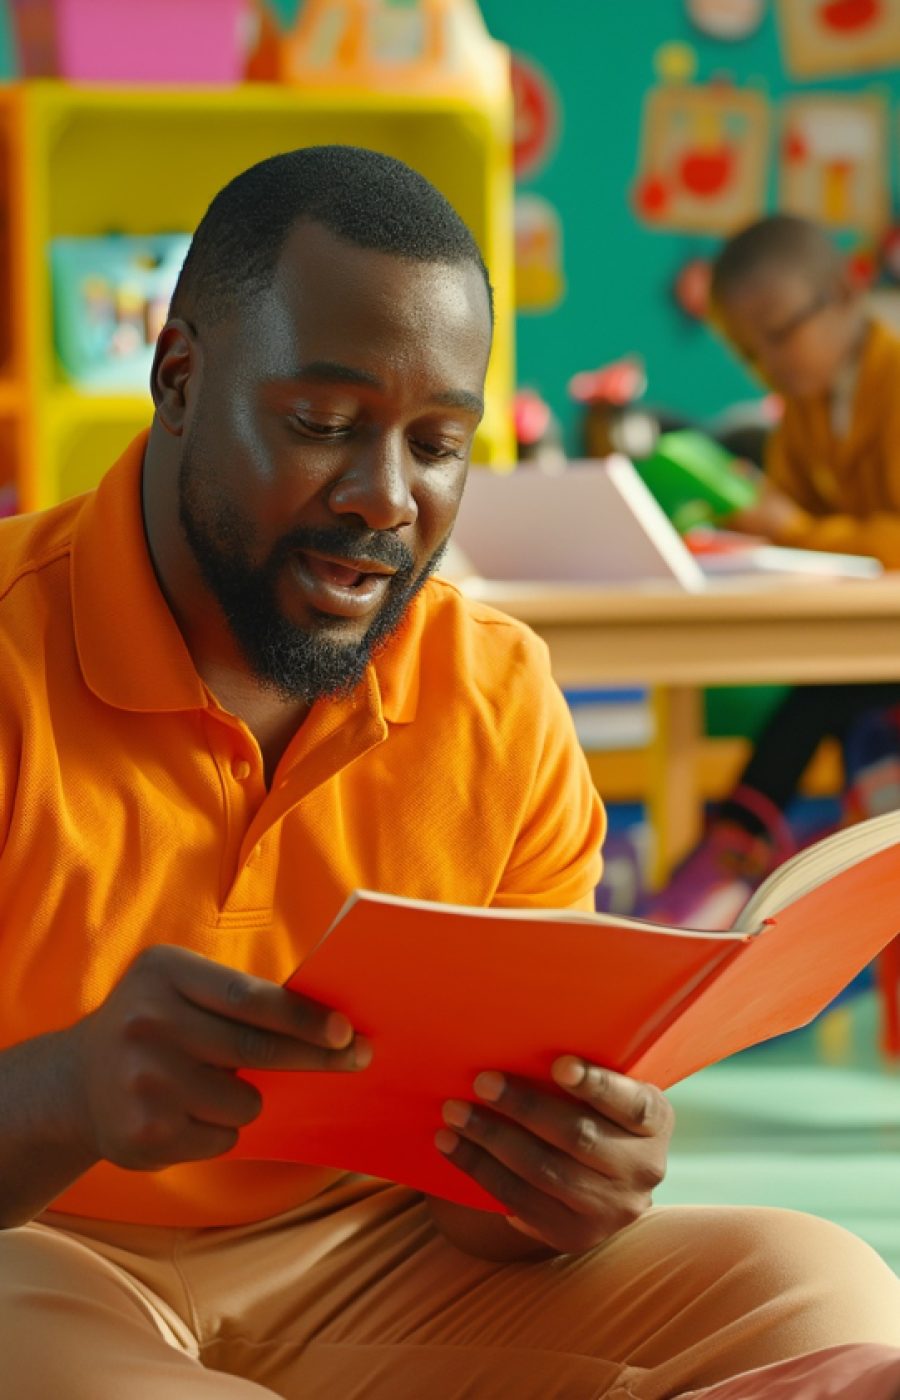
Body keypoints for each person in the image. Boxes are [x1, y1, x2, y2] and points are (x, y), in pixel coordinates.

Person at [0, 150, 899, 1400]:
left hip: (374, 1253)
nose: (385, 500)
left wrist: (556, 1178)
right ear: (179, 376)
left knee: (826, 1284)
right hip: (38, 1256)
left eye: (437, 444)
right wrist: (62, 1090)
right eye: (323, 425)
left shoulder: (494, 692)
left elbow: (480, 1215)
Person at [649, 213, 900, 928]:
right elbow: (800, 529)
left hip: (875, 654)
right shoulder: (804, 417)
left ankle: (740, 840)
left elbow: (834, 534)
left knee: (820, 692)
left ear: (844, 293)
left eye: (780, 335)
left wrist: (795, 531)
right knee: (823, 686)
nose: (772, 366)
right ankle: (749, 843)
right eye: (750, 356)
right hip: (867, 647)